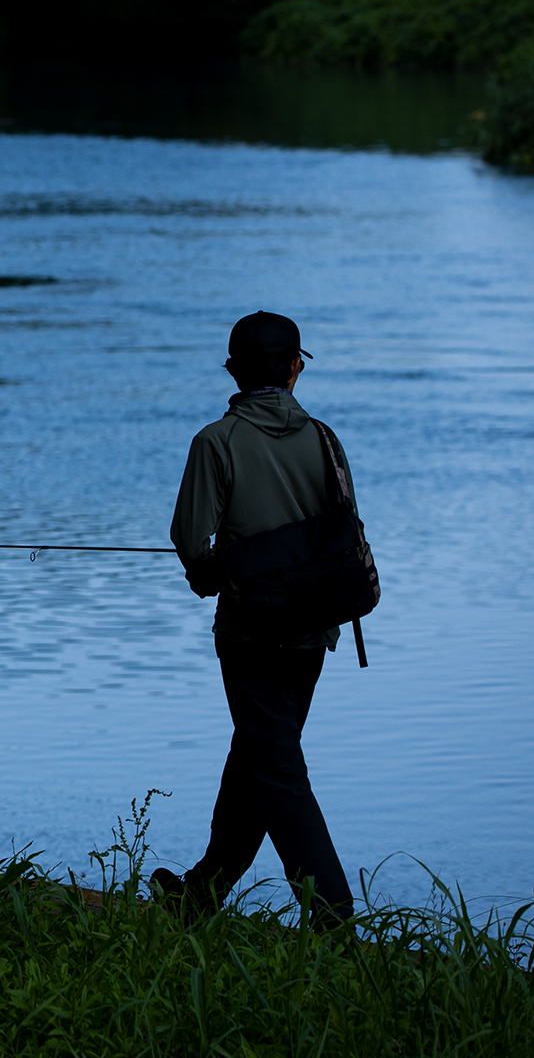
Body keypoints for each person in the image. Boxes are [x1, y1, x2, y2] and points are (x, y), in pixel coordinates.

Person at [152, 310, 356, 925]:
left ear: (234, 372)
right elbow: (342, 535)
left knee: (275, 768)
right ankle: (203, 892)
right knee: (261, 756)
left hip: (250, 633)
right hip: (314, 630)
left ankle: (332, 915)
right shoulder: (325, 438)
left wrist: (207, 574)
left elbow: (191, 540)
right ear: (296, 369)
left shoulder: (217, 441)